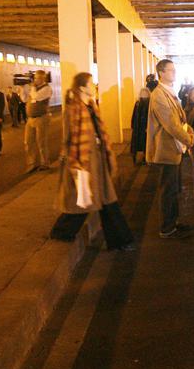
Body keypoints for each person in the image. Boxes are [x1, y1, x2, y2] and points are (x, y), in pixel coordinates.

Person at [49, 72, 135, 251]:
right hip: (83, 159)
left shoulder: (91, 106)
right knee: (91, 199)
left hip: (97, 158)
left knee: (100, 199)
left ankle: (64, 231)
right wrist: (74, 163)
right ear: (82, 87)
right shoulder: (73, 109)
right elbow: (69, 138)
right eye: (90, 84)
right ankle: (119, 240)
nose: (94, 86)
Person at [146, 59, 194, 239]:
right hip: (166, 150)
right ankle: (167, 228)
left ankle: (173, 222)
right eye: (171, 70)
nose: (174, 72)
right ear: (161, 73)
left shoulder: (168, 91)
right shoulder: (159, 95)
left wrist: (188, 130)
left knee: (174, 189)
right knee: (168, 190)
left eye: (174, 70)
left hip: (173, 148)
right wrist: (188, 139)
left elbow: (179, 120)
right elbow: (171, 124)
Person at [24, 70, 53, 173]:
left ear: (42, 78)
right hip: (30, 118)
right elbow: (24, 99)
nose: (35, 80)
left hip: (41, 118)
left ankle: (45, 163)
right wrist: (22, 88)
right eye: (35, 78)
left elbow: (36, 97)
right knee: (28, 142)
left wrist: (32, 87)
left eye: (36, 78)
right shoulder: (34, 88)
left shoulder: (47, 88)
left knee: (41, 142)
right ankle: (32, 164)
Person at [129, 87, 151, 166]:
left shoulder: (139, 103)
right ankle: (143, 158)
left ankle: (138, 158)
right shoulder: (147, 103)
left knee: (139, 143)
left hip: (139, 127)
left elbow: (134, 115)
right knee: (143, 143)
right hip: (142, 127)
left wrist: (133, 125)